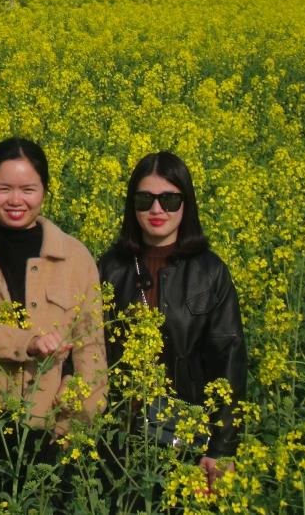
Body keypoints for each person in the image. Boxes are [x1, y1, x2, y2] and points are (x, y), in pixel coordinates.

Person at [0, 138, 107, 493]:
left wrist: (74, 429)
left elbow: (91, 353)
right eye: (3, 188)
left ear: (44, 191)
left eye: (28, 189)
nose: (16, 200)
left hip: (54, 432)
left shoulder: (76, 258)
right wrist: (27, 343)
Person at [98, 151, 247, 492]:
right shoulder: (109, 267)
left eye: (169, 199)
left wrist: (221, 449)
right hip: (120, 439)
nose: (156, 210)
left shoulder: (210, 273)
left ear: (186, 204)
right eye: (144, 199)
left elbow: (228, 359)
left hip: (187, 438)